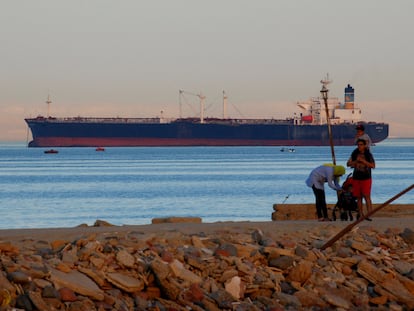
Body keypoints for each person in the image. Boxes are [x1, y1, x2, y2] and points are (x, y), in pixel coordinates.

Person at [347, 138, 375, 221]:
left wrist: (363, 161)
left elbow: (373, 166)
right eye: (358, 145)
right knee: (358, 197)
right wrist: (355, 162)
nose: (359, 146)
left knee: (367, 196)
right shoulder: (354, 153)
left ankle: (369, 213)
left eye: (361, 145)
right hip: (356, 178)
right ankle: (361, 214)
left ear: (365, 145)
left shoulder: (368, 155)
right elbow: (348, 164)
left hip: (366, 178)